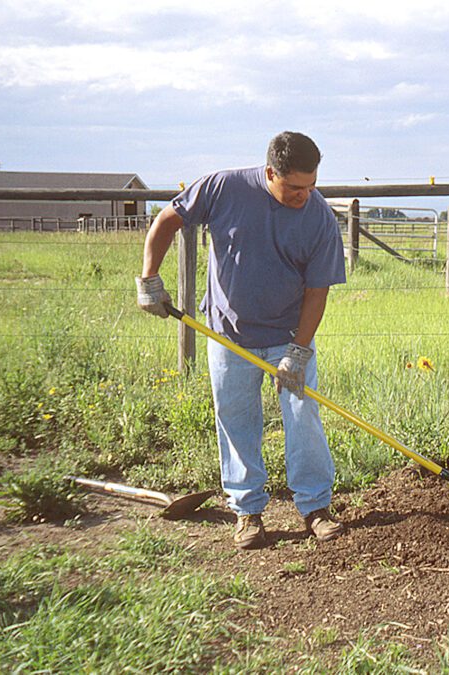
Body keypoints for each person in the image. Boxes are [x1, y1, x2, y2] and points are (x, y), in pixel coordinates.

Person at [136, 131, 346, 550]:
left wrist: (298, 352)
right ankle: (248, 511)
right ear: (270, 173)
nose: (305, 196)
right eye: (294, 188)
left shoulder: (319, 217)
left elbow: (317, 292)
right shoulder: (223, 188)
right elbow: (167, 220)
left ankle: (315, 507)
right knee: (235, 418)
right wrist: (149, 279)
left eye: (312, 186)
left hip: (288, 336)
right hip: (228, 334)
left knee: (304, 418)